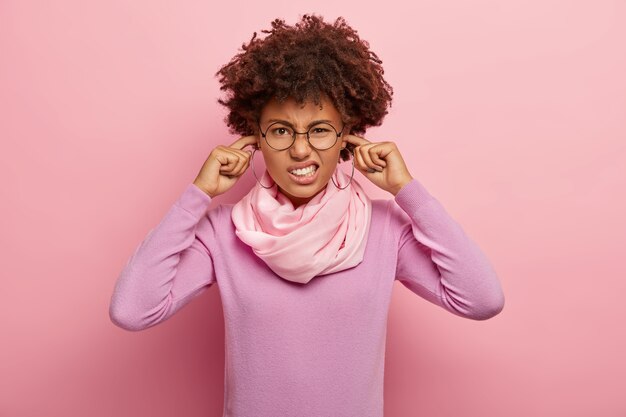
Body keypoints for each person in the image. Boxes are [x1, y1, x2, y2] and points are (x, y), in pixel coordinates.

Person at [109, 14, 505, 417]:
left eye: (319, 129)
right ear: (255, 137)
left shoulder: (385, 229)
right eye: (281, 130)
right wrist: (198, 195)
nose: (300, 151)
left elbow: (482, 299)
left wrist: (408, 191)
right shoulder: (221, 232)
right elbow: (132, 310)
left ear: (346, 135)